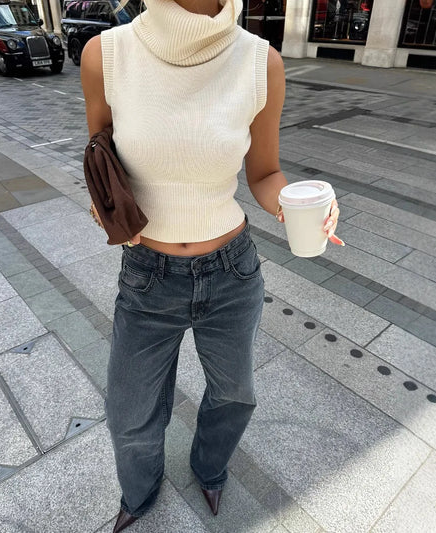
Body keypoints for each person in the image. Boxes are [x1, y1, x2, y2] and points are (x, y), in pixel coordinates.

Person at [80, 0, 341, 531]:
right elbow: (100, 157)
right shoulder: (105, 55)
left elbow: (264, 173)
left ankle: (210, 468)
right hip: (148, 277)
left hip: (231, 272)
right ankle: (139, 492)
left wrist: (300, 202)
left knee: (235, 394)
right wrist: (103, 205)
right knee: (128, 413)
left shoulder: (260, 62)